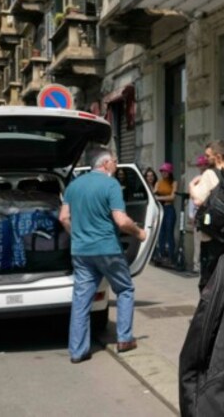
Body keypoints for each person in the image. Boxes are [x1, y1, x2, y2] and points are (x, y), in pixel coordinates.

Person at [59, 148, 147, 364]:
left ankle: (78, 351)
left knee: (81, 301)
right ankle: (124, 339)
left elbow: (63, 218)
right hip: (108, 249)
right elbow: (122, 220)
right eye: (115, 162)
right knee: (125, 289)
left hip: (81, 252)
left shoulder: (73, 186)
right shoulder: (111, 184)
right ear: (106, 163)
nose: (116, 166)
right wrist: (140, 233)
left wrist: (78, 235)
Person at [188, 140, 224, 291]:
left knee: (208, 281)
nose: (205, 159)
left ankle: (208, 313)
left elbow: (198, 200)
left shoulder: (209, 174)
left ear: (218, 157)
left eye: (208, 156)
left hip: (211, 235)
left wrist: (192, 186)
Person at [187, 154, 209, 274]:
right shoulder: (197, 179)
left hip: (209, 213)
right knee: (198, 241)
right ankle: (197, 265)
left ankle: (207, 264)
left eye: (204, 164)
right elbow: (191, 198)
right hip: (198, 214)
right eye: (200, 165)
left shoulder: (211, 178)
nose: (202, 167)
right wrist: (191, 214)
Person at [153, 162, 178, 266]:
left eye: (166, 171)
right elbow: (153, 194)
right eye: (162, 171)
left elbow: (172, 197)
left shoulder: (174, 182)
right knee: (161, 234)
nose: (164, 173)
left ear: (170, 172)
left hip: (169, 209)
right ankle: (162, 256)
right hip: (161, 209)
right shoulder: (158, 183)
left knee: (169, 233)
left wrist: (159, 198)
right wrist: (160, 198)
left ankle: (171, 257)